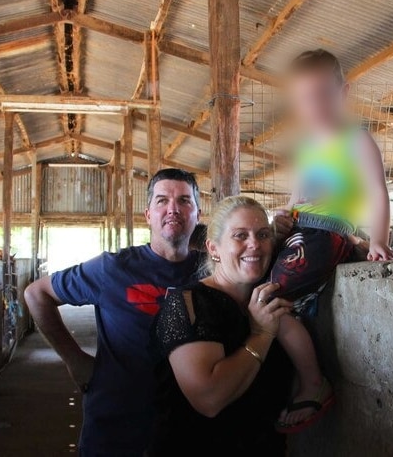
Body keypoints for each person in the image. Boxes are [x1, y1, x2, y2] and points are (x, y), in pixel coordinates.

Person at [24, 168, 202, 457]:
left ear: (197, 213)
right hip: (116, 427)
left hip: (190, 426)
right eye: (162, 201)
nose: (173, 209)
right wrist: (74, 359)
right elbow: (36, 294)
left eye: (184, 201)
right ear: (147, 215)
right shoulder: (113, 268)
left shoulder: (213, 271)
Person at [271, 49, 393, 432]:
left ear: (342, 94)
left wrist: (377, 239)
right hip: (302, 230)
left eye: (323, 94)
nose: (316, 105)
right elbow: (297, 200)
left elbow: (378, 193)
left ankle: (314, 381)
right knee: (260, 290)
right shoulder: (307, 149)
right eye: (306, 98)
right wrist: (282, 220)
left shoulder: (357, 142)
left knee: (270, 300)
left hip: (329, 232)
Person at [149, 196, 294, 457]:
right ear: (214, 249)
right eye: (240, 235)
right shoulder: (188, 303)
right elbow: (208, 399)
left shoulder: (268, 302)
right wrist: (261, 334)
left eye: (263, 235)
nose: (254, 244)